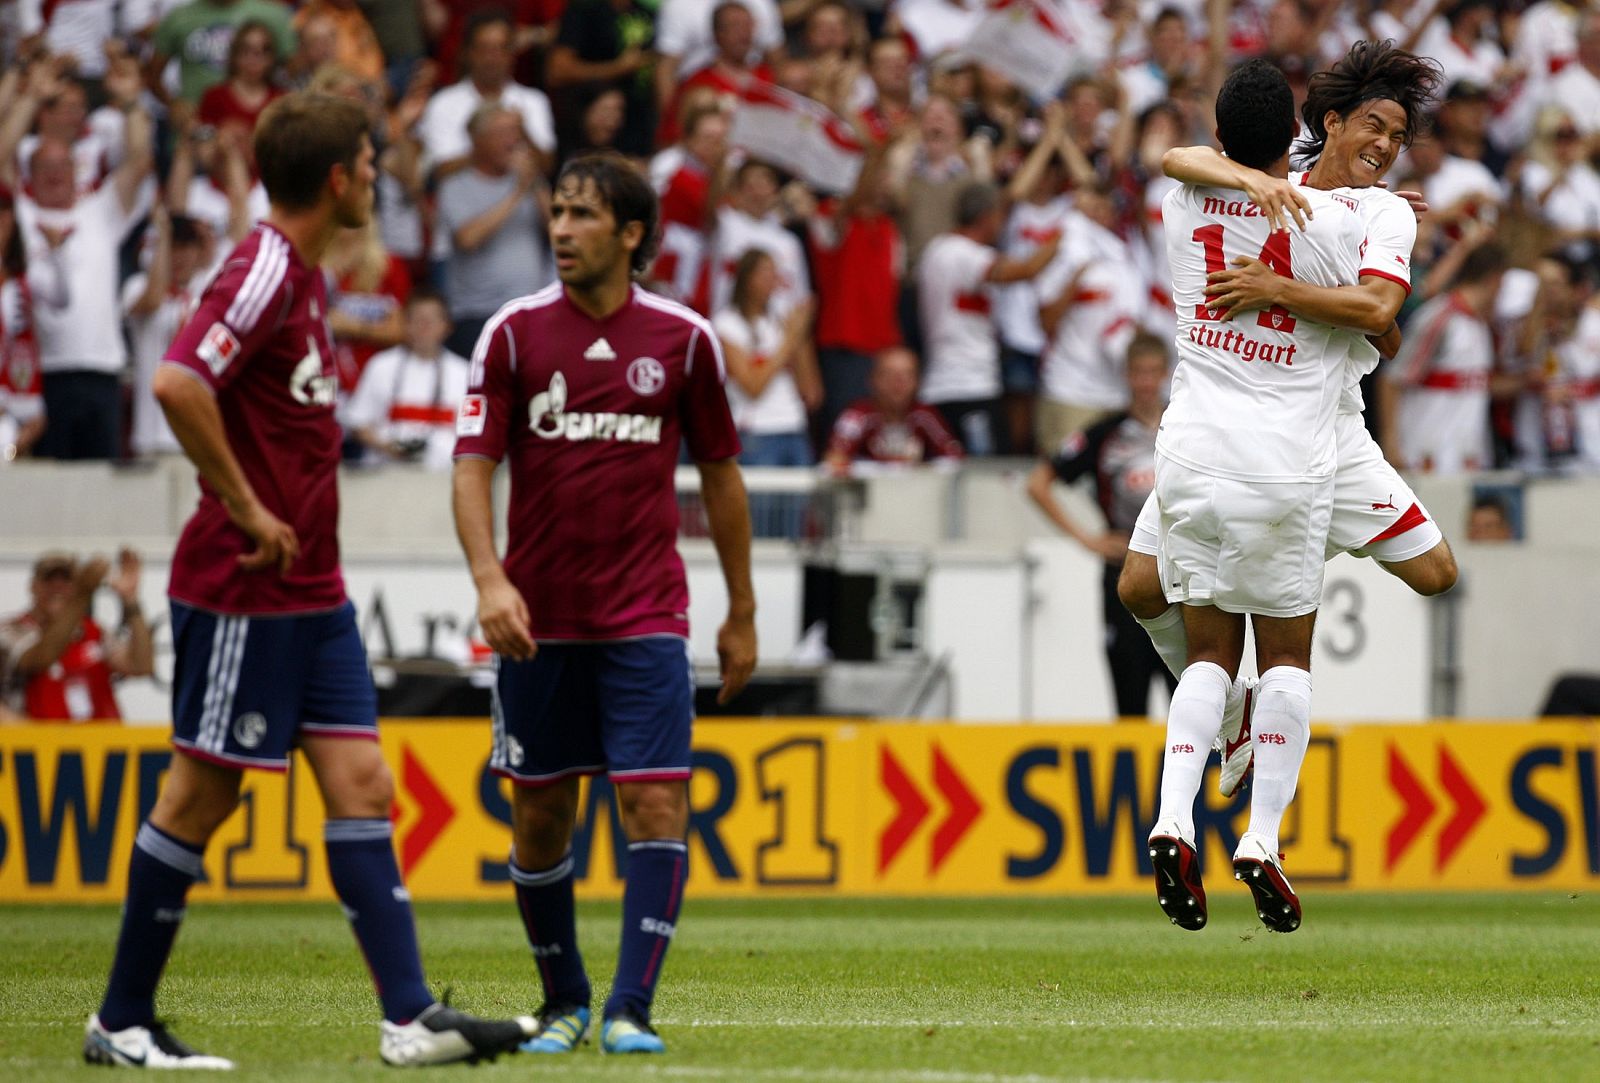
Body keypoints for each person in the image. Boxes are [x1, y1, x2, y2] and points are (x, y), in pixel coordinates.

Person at [83, 93, 534, 1069]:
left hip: (314, 592)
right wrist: (246, 506)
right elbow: (174, 382)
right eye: (370, 165)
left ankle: (409, 1017)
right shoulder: (264, 270)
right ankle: (120, 1019)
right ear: (338, 178)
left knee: (364, 782)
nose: (377, 178)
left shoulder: (306, 279)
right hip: (247, 587)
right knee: (199, 802)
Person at [451, 151, 756, 1057]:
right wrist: (487, 578)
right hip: (536, 622)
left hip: (646, 615)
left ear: (630, 235)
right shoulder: (509, 334)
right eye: (556, 214)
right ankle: (564, 1001)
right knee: (542, 815)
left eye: (582, 216)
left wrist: (741, 608)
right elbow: (472, 469)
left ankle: (630, 1007)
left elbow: (723, 477)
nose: (560, 230)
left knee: (654, 807)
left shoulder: (683, 340)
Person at [1126, 39, 1456, 795]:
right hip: (1249, 430)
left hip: (1328, 431)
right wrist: (1257, 184)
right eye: (1375, 126)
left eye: (1398, 138)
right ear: (1331, 123)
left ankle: (1290, 548)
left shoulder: (1368, 217)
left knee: (1436, 573)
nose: (1385, 145)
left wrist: (1294, 280)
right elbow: (1183, 160)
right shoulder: (1283, 184)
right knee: (1140, 588)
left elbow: (1387, 330)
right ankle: (1238, 713)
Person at [1144, 58, 1368, 937]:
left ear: (1220, 127)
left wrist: (1235, 170)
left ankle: (1171, 819)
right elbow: (1373, 309)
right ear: (1298, 137)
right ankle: (1263, 837)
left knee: (1206, 655)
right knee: (1284, 661)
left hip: (1191, 452)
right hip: (1284, 463)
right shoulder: (1325, 217)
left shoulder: (1183, 201)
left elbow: (1176, 158)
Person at [10, 50, 154, 460]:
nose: (56, 174)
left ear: (78, 170)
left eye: (64, 166)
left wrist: (130, 102)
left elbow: (141, 160)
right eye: (45, 168)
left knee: (102, 491)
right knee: (54, 492)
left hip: (102, 372)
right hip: (45, 375)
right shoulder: (21, 214)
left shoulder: (99, 212)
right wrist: (31, 98)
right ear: (30, 174)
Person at [1026, 334, 1176, 719]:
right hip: (1123, 576)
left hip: (1179, 576)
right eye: (1137, 373)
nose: (1145, 382)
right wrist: (1087, 540)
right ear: (1126, 376)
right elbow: (1039, 483)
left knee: (1191, 704)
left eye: (1152, 372)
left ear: (1164, 374)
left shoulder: (1185, 426)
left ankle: (1194, 780)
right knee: (1130, 701)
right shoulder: (1104, 433)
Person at [915, 181, 1058, 456]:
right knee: (983, 477)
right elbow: (1026, 270)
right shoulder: (966, 254)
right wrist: (1065, 232)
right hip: (968, 387)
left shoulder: (937, 250)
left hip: (943, 385)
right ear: (986, 217)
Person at [1380, 241, 1508, 474]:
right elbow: (1392, 378)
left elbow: (1477, 383)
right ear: (1495, 280)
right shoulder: (1440, 317)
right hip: (1426, 456)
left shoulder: (1480, 324)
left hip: (1467, 457)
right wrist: (1391, 443)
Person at [437, 103, 550, 358]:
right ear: (477, 140)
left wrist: (535, 185)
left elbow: (557, 233)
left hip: (532, 312)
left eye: (516, 132)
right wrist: (518, 192)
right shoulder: (456, 185)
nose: (513, 141)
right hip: (479, 316)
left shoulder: (529, 180)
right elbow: (468, 239)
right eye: (503, 132)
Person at [0, 550, 152, 721]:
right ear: (33, 586)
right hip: (41, 744)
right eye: (49, 579)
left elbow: (141, 666)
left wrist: (130, 599)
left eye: (66, 580)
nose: (57, 587)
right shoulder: (12, 629)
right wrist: (83, 596)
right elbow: (40, 658)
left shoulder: (94, 631)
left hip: (100, 743)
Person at [712, 248, 820, 466]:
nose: (772, 279)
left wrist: (801, 336)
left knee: (801, 500)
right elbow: (753, 386)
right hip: (756, 431)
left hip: (794, 427)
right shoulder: (726, 324)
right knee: (761, 501)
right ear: (746, 278)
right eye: (764, 272)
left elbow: (812, 393)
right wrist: (788, 341)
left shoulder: (782, 322)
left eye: (774, 272)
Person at [343, 288, 468, 470]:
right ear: (405, 323)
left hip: (442, 476)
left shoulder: (465, 372)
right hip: (385, 473)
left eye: (431, 321)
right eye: (417, 320)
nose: (424, 327)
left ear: (447, 326)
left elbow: (474, 436)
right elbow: (357, 423)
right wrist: (388, 447)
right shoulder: (380, 365)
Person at [823, 345, 964, 472]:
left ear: (918, 381)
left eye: (907, 375)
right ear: (872, 380)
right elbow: (834, 460)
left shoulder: (924, 415)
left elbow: (954, 457)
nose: (898, 383)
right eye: (889, 374)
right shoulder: (857, 416)